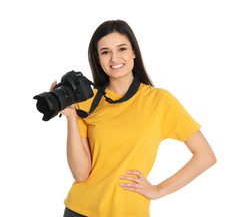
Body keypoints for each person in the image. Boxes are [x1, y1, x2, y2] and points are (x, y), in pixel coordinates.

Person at [51, 20, 216, 217]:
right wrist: (70, 116)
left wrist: (157, 190)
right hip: (80, 210)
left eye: (122, 49)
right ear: (98, 59)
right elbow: (81, 174)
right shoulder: (87, 103)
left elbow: (205, 156)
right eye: (105, 52)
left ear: (134, 52)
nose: (114, 58)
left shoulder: (159, 101)